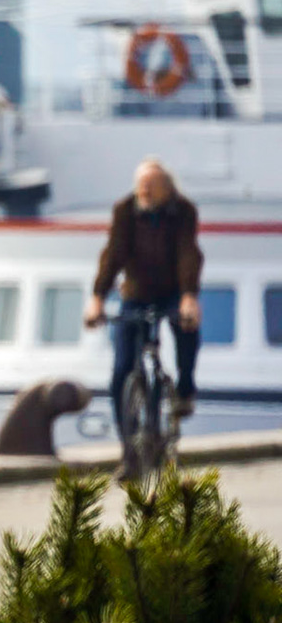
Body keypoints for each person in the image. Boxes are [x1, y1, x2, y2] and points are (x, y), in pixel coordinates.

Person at [84, 157, 202, 448]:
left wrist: (188, 296)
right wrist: (98, 297)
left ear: (167, 188)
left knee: (187, 327)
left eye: (151, 186)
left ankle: (185, 388)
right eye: (141, 186)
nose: (145, 192)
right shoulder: (125, 210)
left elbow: (188, 252)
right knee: (122, 369)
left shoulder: (183, 210)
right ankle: (129, 449)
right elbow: (113, 254)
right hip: (136, 293)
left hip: (173, 289)